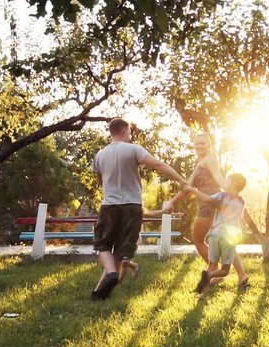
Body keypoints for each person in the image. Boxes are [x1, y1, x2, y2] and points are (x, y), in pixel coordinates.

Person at [91, 118, 186, 300]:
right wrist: (180, 179)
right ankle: (100, 293)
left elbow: (100, 181)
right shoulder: (133, 149)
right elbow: (158, 164)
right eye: (130, 132)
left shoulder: (100, 155)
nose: (130, 135)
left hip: (110, 205)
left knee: (102, 244)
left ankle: (110, 275)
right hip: (133, 206)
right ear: (124, 131)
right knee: (120, 249)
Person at [164, 133, 252, 287]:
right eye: (197, 143)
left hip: (210, 202)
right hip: (212, 203)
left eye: (203, 143)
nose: (199, 146)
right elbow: (188, 187)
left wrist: (232, 192)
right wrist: (172, 201)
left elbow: (219, 178)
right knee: (225, 239)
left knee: (198, 239)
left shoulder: (210, 160)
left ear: (209, 145)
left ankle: (214, 271)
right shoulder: (201, 162)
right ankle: (241, 275)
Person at [184, 173, 260, 298]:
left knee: (212, 265)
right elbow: (241, 219)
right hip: (228, 238)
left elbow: (207, 199)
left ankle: (203, 293)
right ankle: (209, 276)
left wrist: (192, 190)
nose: (225, 182)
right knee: (224, 270)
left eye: (228, 180)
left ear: (234, 184)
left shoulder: (222, 196)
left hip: (214, 235)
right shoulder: (241, 202)